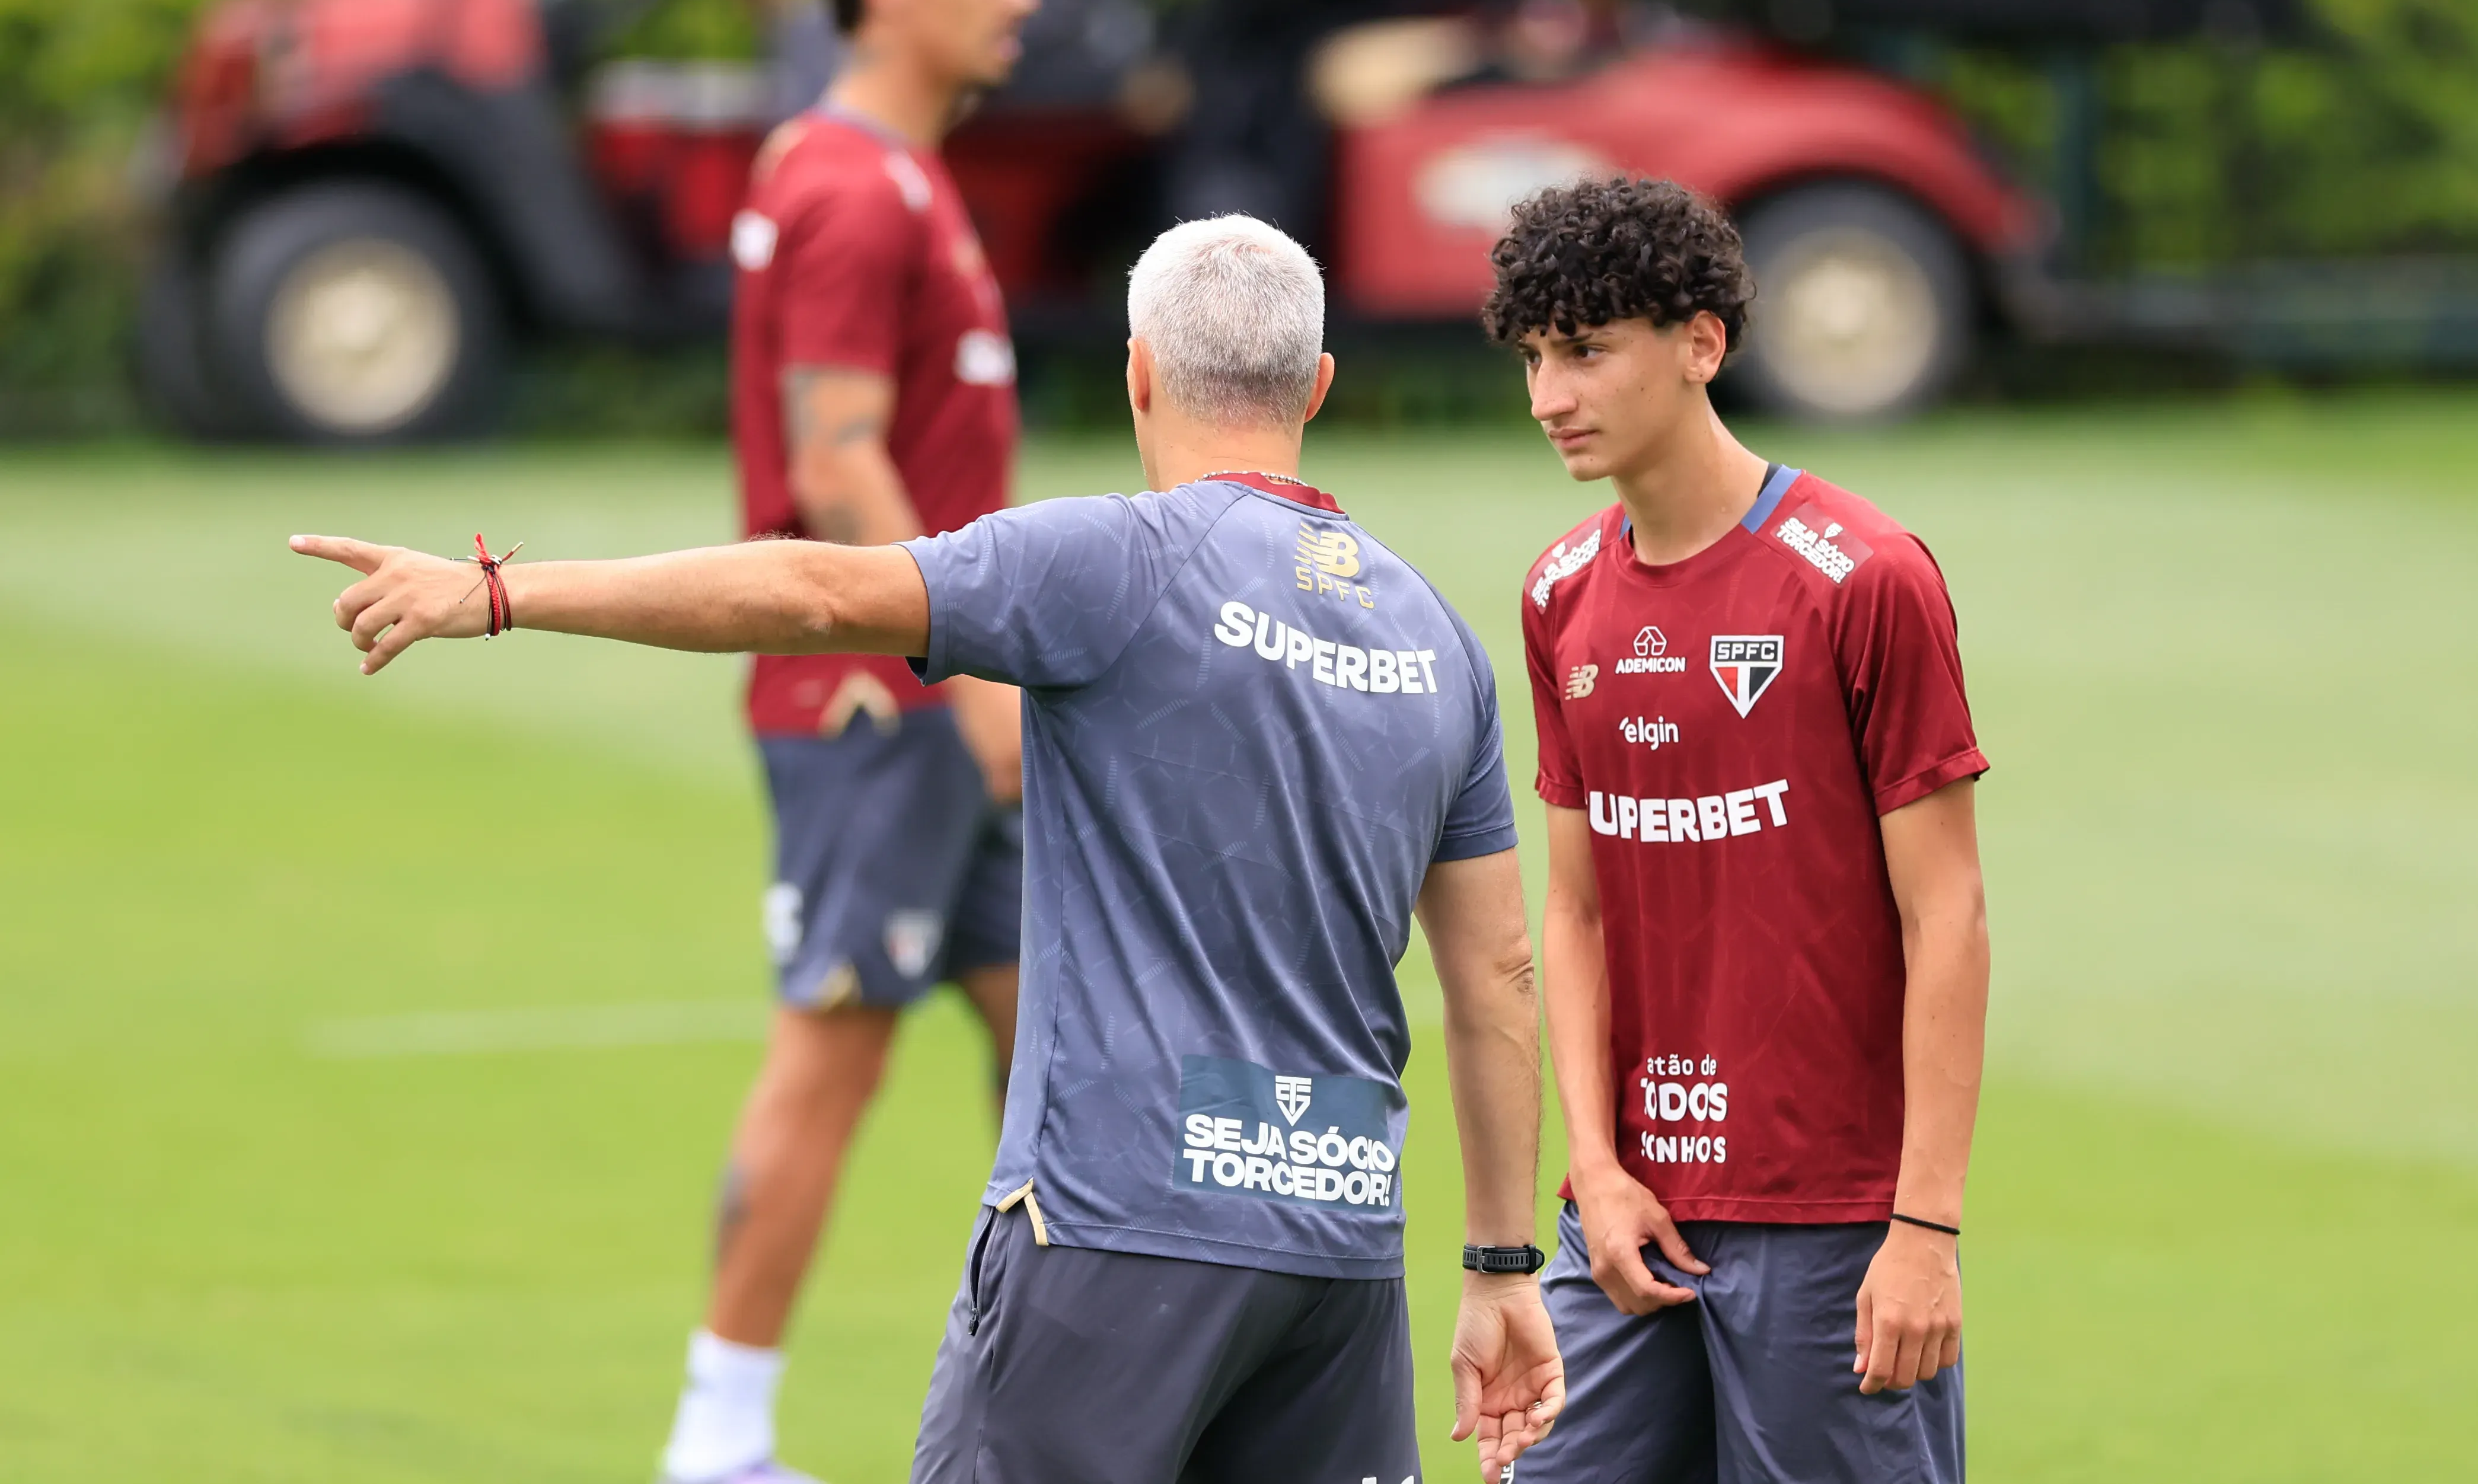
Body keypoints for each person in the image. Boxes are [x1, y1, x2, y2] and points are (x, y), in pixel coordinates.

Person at [291, 215, 1565, 1482]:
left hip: (1114, 1233)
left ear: (1137, 371)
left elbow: (815, 591)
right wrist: (1503, 1265)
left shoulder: (1113, 560)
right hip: (1341, 1258)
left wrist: (506, 594)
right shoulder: (1435, 638)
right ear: (1319, 386)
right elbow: (1498, 976)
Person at [1490, 178, 1989, 1483]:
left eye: (1586, 351)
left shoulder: (1865, 577)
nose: (1549, 395)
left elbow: (1949, 913)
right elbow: (1578, 909)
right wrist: (1592, 1170)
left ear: (1700, 345)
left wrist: (1923, 1225)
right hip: (1628, 1214)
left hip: (1829, 1224)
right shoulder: (1558, 593)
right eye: (1535, 357)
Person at [680, 0, 1041, 1483]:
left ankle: (1072, 1410)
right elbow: (839, 466)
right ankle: (719, 1446)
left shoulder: (896, 173)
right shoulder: (844, 182)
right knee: (832, 1050)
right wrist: (976, 678)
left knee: (1065, 1050)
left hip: (927, 699)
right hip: (875, 699)